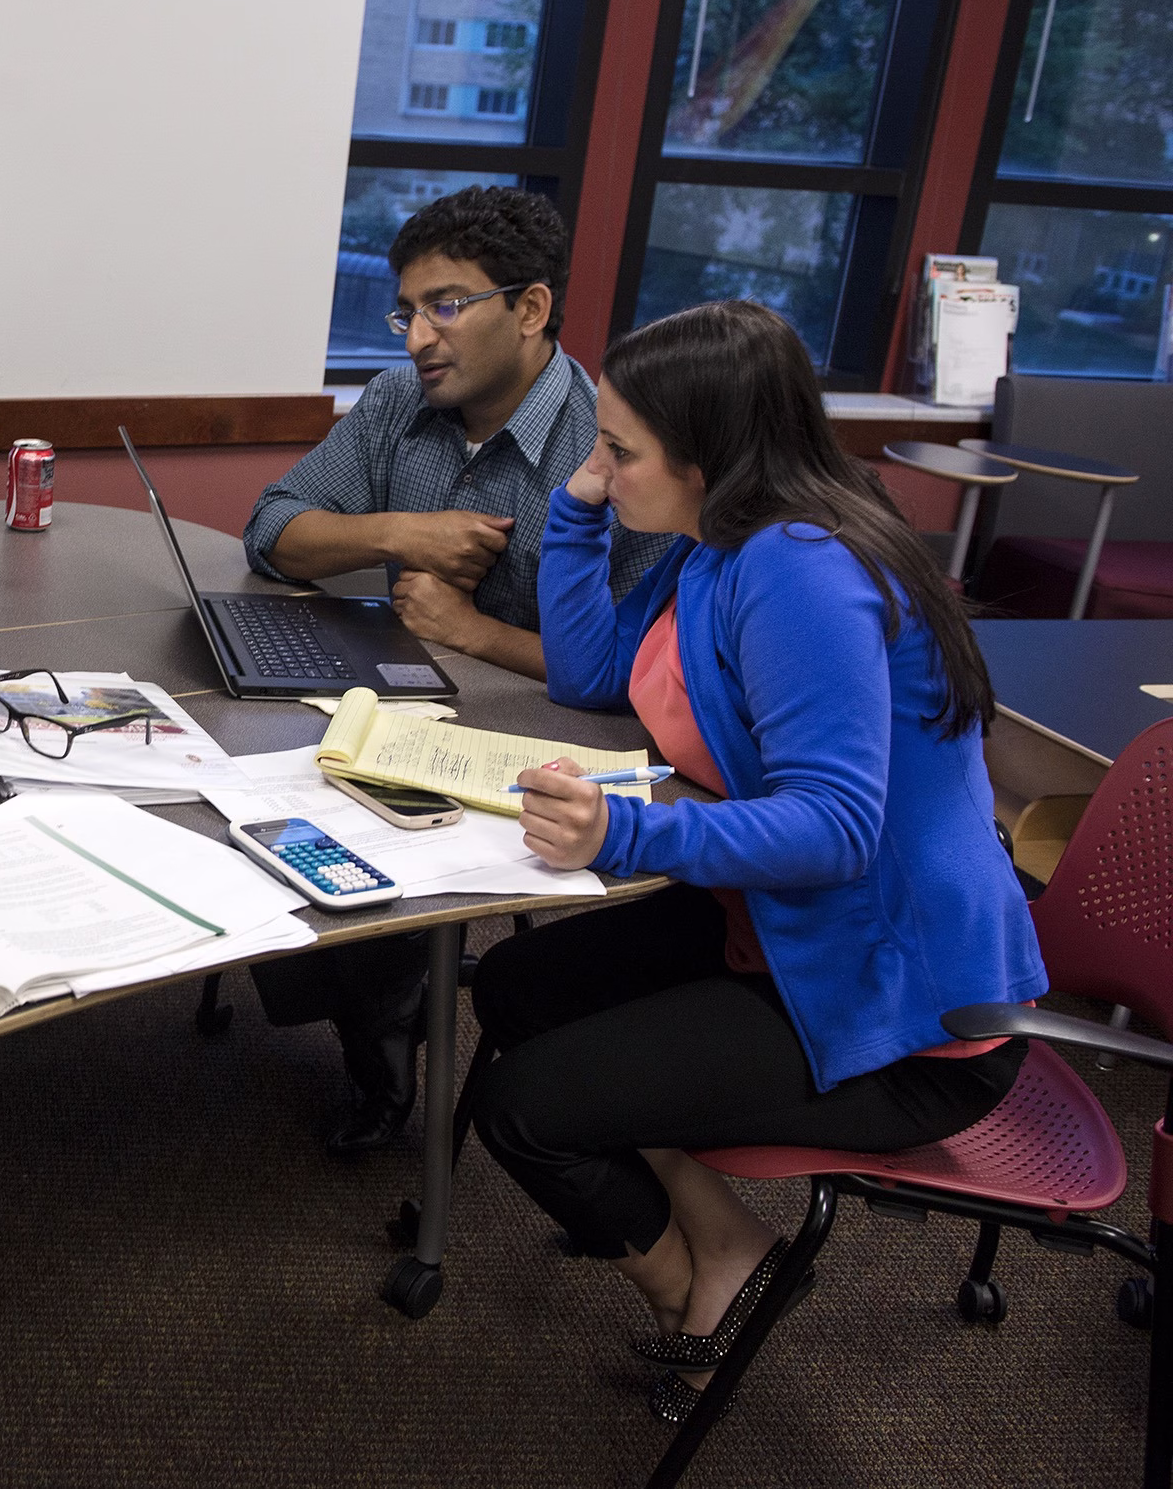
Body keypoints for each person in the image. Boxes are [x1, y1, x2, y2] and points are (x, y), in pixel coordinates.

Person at [472, 299, 1045, 1423]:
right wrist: (580, 505)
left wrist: (624, 832)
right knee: (514, 987)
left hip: (914, 1011)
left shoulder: (797, 567)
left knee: (527, 1106)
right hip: (790, 932)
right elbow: (590, 675)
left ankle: (709, 1294)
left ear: (707, 457)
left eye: (621, 450)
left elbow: (835, 826)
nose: (605, 463)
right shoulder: (725, 541)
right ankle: (725, 1228)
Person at [238, 186, 673, 1156]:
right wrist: (402, 531)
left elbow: (644, 670)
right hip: (400, 705)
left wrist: (472, 629)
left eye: (446, 305)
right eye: (407, 312)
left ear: (529, 309)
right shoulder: (401, 405)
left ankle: (383, 1018)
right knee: (264, 775)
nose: (418, 338)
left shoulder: (601, 443)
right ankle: (372, 997)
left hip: (552, 743)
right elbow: (272, 530)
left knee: (371, 835)